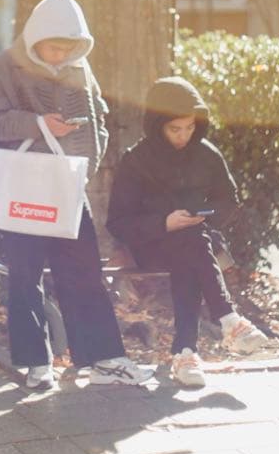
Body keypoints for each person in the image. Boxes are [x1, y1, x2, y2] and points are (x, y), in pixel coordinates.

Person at [0, 0, 153, 391]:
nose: (59, 58)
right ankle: (37, 363)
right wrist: (38, 124)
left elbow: (98, 118)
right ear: (35, 39)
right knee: (25, 276)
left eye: (67, 50)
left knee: (85, 271)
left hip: (68, 187)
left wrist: (89, 155)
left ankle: (104, 358)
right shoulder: (2, 69)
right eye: (53, 49)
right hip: (24, 186)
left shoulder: (80, 68)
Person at [106, 76, 267, 389]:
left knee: (189, 243)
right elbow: (118, 221)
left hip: (196, 240)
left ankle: (186, 353)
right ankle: (225, 324)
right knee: (189, 244)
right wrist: (163, 223)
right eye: (174, 129)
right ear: (157, 126)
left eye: (190, 127)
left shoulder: (206, 153)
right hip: (149, 243)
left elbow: (229, 200)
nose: (183, 136)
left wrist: (203, 216)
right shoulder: (135, 160)